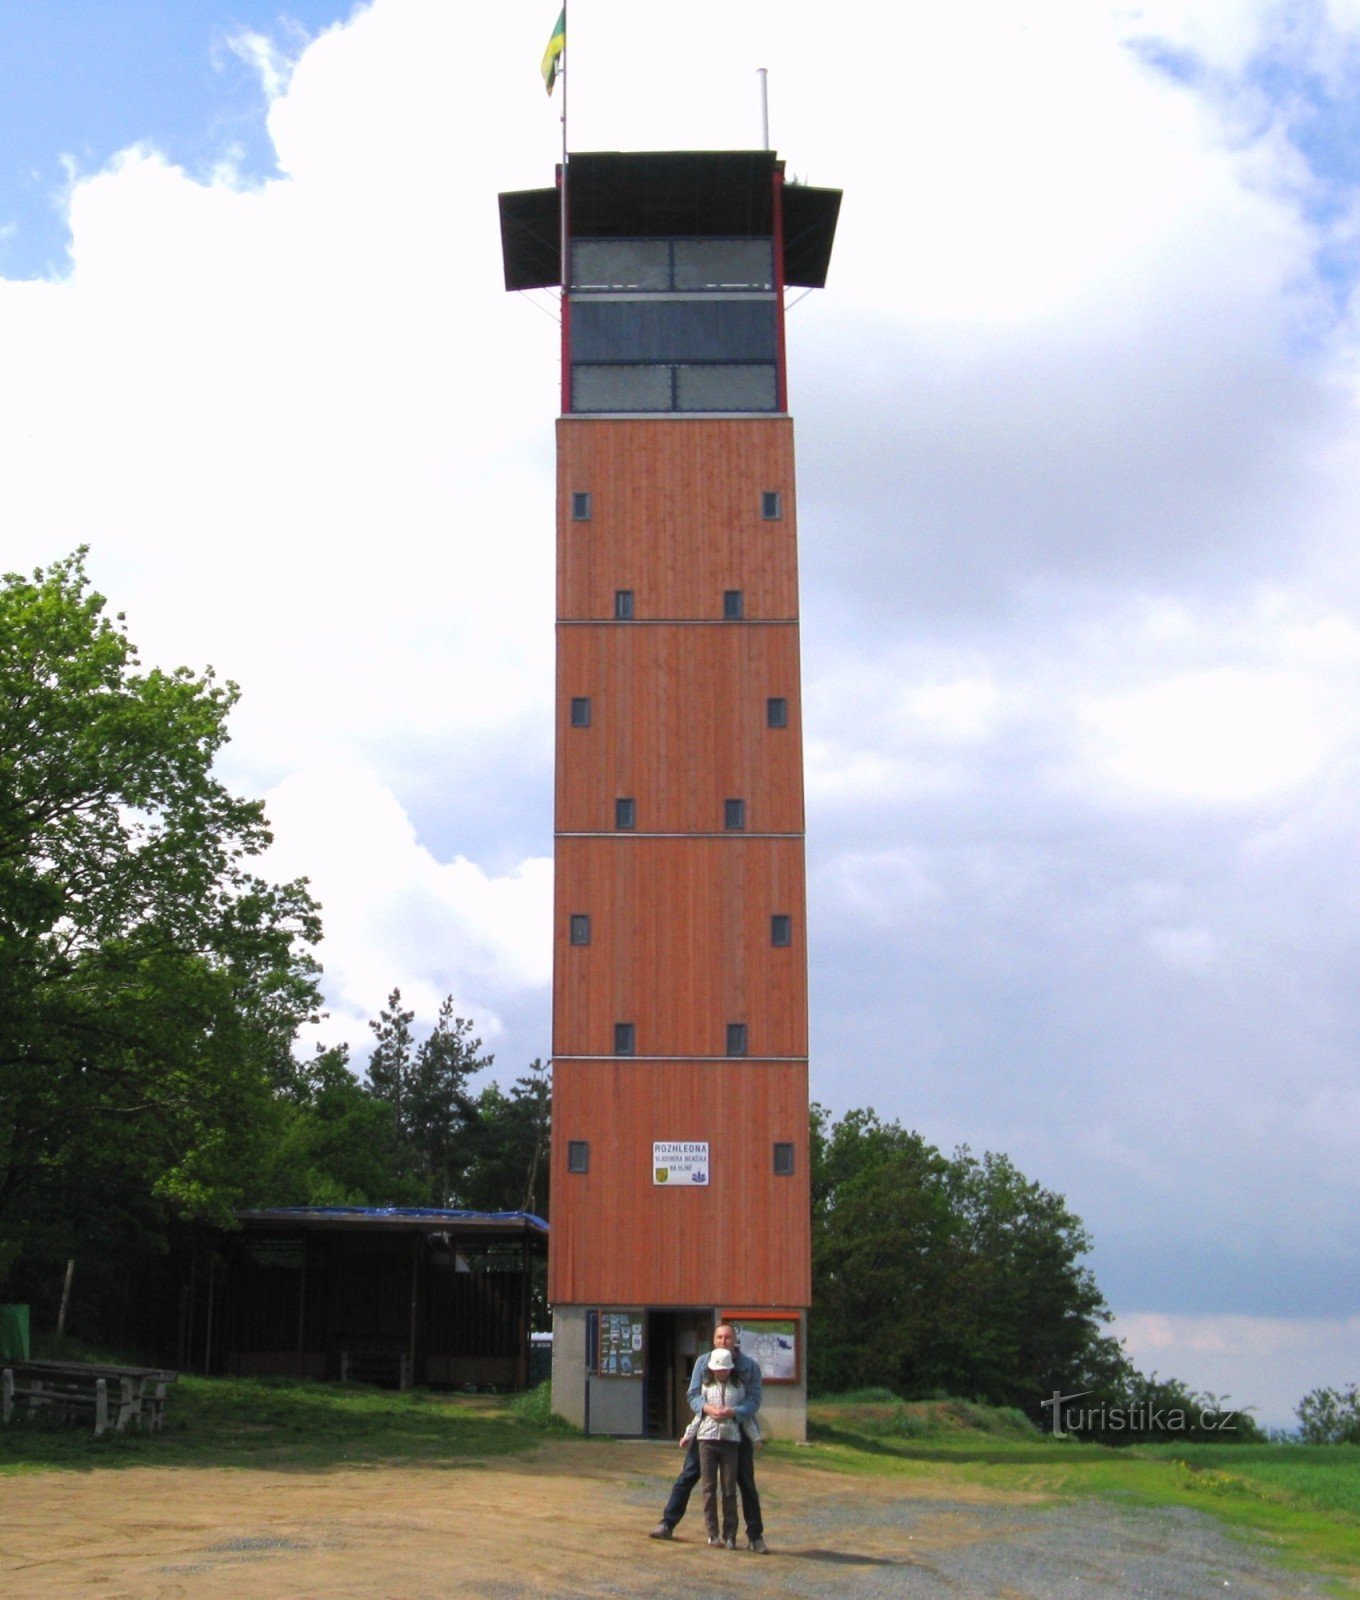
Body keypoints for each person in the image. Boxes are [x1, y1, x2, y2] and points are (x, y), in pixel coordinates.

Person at [649, 1322, 768, 1552]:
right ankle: (667, 1523)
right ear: (714, 1340)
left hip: (738, 1431)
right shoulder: (703, 1362)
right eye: (719, 1338)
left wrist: (735, 1412)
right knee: (688, 1476)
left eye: (728, 1338)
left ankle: (755, 1536)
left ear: (735, 1342)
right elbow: (693, 1394)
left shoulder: (750, 1367)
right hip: (706, 1432)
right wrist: (706, 1409)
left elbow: (754, 1401)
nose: (723, 1341)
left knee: (745, 1482)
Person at [689, 1346, 744, 1547]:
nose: (721, 1372)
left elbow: (746, 1418)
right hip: (707, 1440)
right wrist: (688, 1435)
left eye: (725, 1369)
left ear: (730, 1369)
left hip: (730, 1441)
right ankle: (712, 1533)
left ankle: (731, 1535)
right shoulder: (705, 1387)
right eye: (718, 1369)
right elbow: (699, 1415)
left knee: (729, 1488)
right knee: (708, 1488)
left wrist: (756, 1437)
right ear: (712, 1369)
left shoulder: (738, 1388)